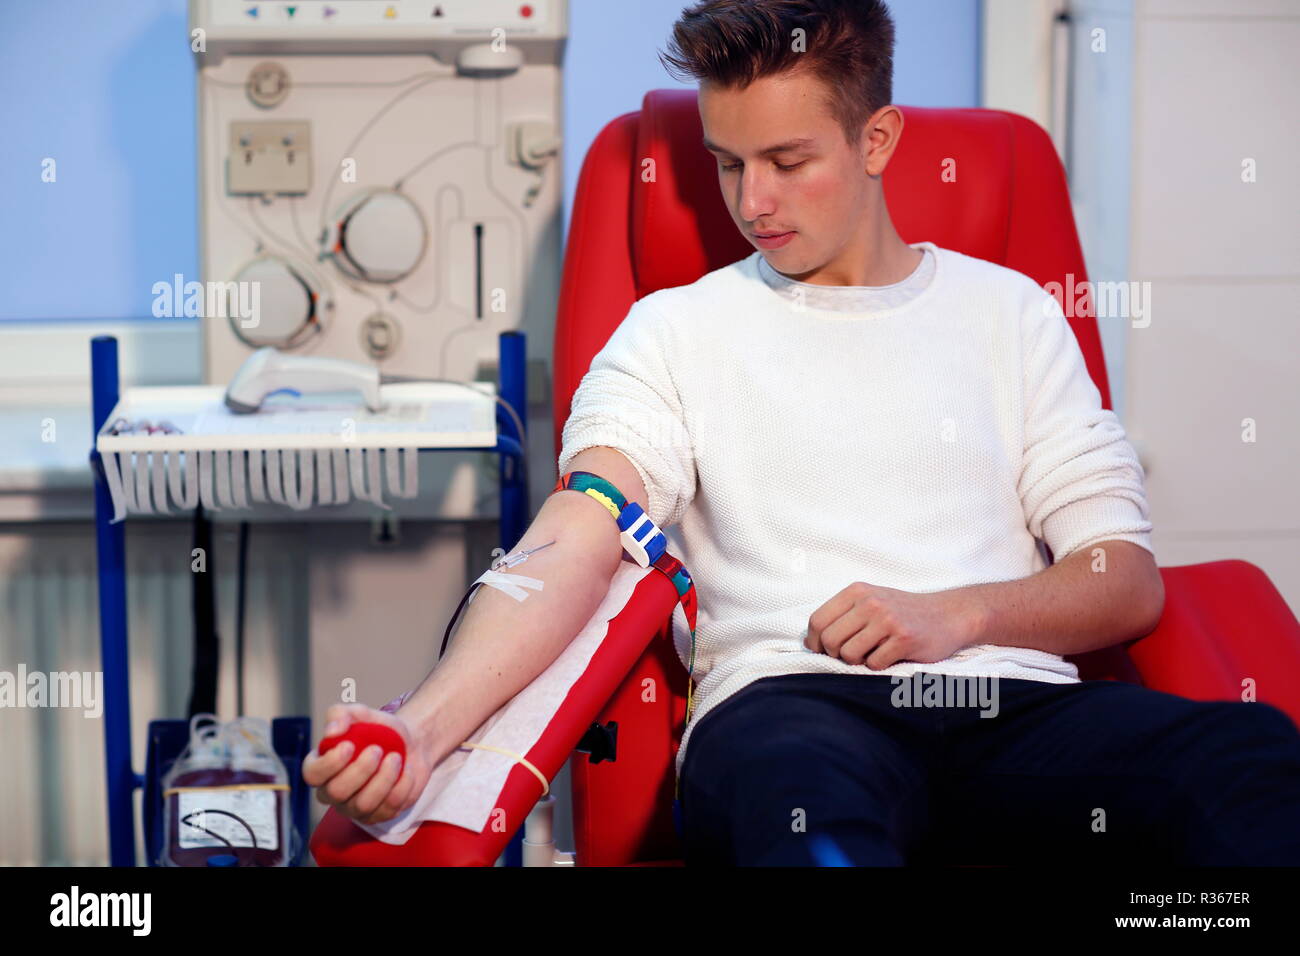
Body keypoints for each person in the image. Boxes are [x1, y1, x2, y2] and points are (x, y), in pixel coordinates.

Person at [303, 0, 1300, 865]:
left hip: (1011, 708)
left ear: (876, 141)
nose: (752, 202)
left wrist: (955, 614)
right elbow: (576, 534)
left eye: (787, 160)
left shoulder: (1010, 315)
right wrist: (422, 728)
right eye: (728, 162)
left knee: (1249, 757)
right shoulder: (676, 330)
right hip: (792, 709)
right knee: (808, 815)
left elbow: (1120, 580)